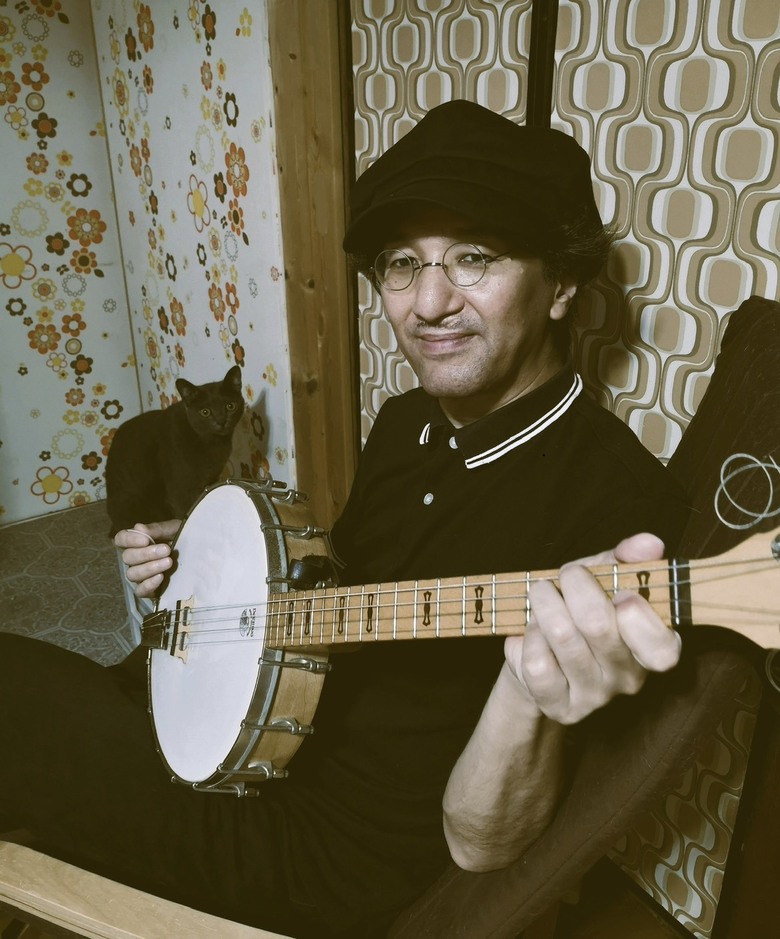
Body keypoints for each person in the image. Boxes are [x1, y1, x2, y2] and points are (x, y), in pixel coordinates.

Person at [0, 100, 687, 938]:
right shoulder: (406, 419)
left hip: (313, 851)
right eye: (402, 263)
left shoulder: (622, 510)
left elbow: (483, 844)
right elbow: (337, 594)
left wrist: (525, 686)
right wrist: (210, 569)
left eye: (474, 257)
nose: (428, 301)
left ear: (561, 285)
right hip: (240, 731)